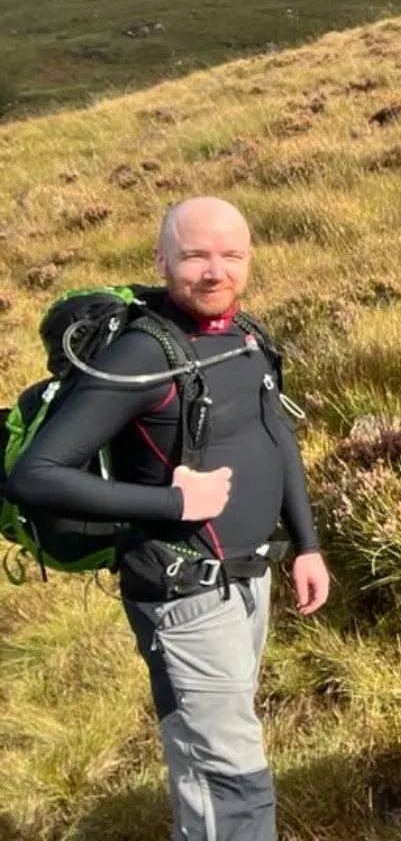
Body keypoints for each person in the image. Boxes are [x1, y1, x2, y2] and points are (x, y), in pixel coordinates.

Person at [8, 196, 329, 841]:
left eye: (231, 255)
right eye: (195, 256)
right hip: (183, 590)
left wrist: (306, 543)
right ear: (162, 260)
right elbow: (35, 475)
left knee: (205, 755)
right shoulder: (141, 354)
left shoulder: (247, 334)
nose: (216, 271)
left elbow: (277, 439)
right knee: (234, 777)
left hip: (248, 578)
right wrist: (174, 504)